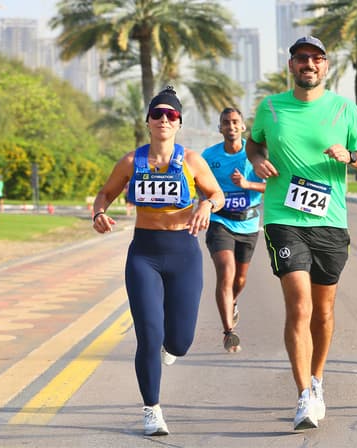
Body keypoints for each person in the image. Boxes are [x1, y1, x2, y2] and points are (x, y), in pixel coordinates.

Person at [246, 35, 357, 431]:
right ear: (291, 66)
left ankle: (317, 379)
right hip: (283, 218)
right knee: (300, 305)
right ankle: (303, 394)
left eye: (317, 59)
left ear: (325, 66)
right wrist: (257, 162)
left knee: (323, 311)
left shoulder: (344, 109)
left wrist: (351, 156)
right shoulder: (270, 107)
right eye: (302, 58)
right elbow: (254, 146)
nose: (309, 64)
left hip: (330, 222)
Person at [91, 86, 224, 436]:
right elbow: (105, 193)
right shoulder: (130, 161)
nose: (164, 120)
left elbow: (217, 194)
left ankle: (171, 345)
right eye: (157, 114)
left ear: (179, 123)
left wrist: (206, 206)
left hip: (184, 254)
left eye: (171, 115)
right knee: (148, 335)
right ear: (148, 121)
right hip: (144, 255)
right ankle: (151, 409)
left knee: (179, 342)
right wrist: (99, 212)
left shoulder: (193, 161)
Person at [201, 107, 265, 353]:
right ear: (220, 128)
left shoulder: (254, 154)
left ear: (242, 127)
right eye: (225, 122)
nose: (230, 126)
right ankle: (229, 332)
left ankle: (232, 301)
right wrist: (204, 203)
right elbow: (199, 182)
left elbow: (273, 185)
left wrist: (246, 184)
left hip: (248, 224)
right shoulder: (209, 156)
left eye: (235, 122)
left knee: (240, 279)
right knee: (226, 272)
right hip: (220, 222)